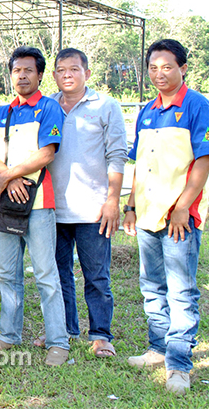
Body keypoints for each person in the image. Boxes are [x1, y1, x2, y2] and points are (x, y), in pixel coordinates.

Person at [123, 39, 209, 395]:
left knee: (181, 291)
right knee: (152, 286)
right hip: (147, 215)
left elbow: (205, 160)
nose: (159, 73)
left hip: (179, 216)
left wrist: (183, 206)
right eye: (153, 67)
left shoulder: (199, 107)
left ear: (182, 68)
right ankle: (157, 348)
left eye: (167, 66)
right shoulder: (148, 110)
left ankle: (179, 365)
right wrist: (131, 205)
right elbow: (140, 164)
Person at [0, 46, 70, 366]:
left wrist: (5, 176)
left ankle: (58, 342)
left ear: (40, 75)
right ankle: (8, 335)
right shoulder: (0, 112)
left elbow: (47, 153)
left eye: (28, 70)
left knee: (46, 273)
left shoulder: (48, 108)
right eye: (16, 70)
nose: (21, 75)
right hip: (7, 204)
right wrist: (7, 179)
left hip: (40, 204)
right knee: (6, 272)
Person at [39, 48, 128, 357]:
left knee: (96, 274)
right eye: (61, 70)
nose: (68, 75)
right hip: (52, 207)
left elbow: (117, 155)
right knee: (58, 273)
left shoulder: (105, 106)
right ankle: (65, 329)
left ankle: (101, 335)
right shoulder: (47, 105)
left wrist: (112, 201)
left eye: (74, 69)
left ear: (86, 73)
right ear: (54, 75)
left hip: (93, 207)